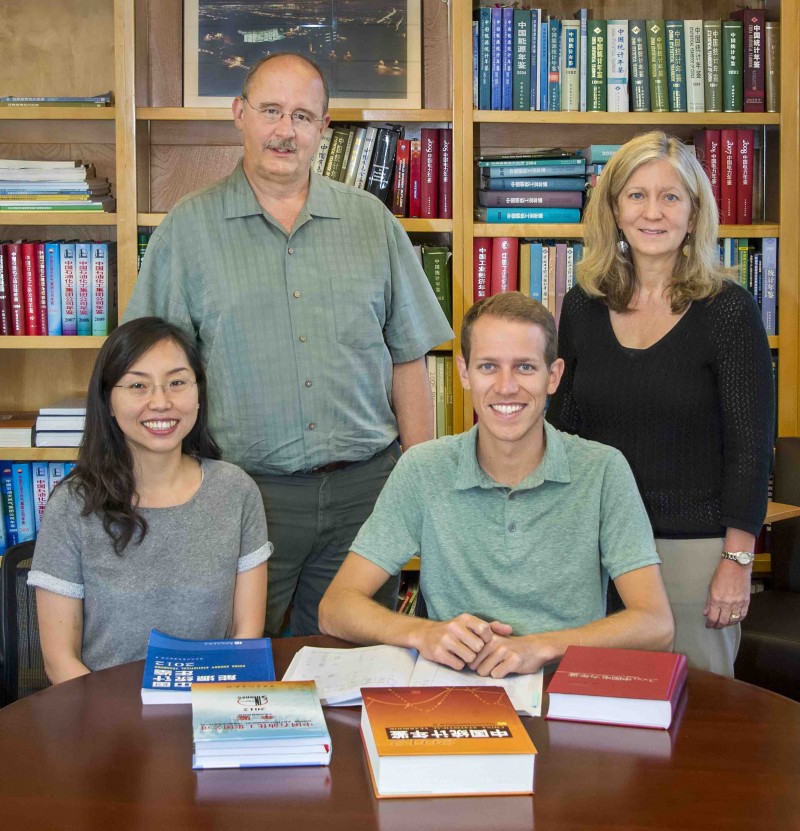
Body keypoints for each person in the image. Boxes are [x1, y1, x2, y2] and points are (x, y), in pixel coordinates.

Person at [123, 52, 452, 637]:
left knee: (344, 669)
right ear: (239, 114)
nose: (285, 130)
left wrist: (417, 480)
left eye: (303, 116)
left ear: (323, 129)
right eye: (271, 110)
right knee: (238, 670)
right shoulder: (187, 230)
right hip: (240, 496)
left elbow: (409, 357)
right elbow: (149, 379)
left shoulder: (372, 222)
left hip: (365, 497)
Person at [319, 293, 674, 677]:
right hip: (453, 688)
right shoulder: (423, 469)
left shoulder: (603, 469)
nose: (506, 387)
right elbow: (335, 607)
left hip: (562, 687)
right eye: (489, 366)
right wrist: (423, 633)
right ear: (465, 373)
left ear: (553, 376)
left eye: (524, 367)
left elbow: (656, 624)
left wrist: (539, 647)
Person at [547, 131, 775, 677]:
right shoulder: (582, 305)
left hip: (693, 555)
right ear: (615, 210)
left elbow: (751, 449)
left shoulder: (728, 310)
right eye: (637, 195)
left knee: (697, 732)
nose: (654, 212)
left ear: (694, 215)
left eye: (671, 197)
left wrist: (736, 562)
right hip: (594, 551)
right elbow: (565, 429)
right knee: (597, 725)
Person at [29, 318, 270, 684]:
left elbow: (245, 636)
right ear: (108, 400)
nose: (161, 402)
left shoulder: (236, 491)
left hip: (209, 713)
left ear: (198, 393)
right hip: (108, 719)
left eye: (177, 382)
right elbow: (61, 662)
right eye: (138, 385)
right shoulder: (74, 505)